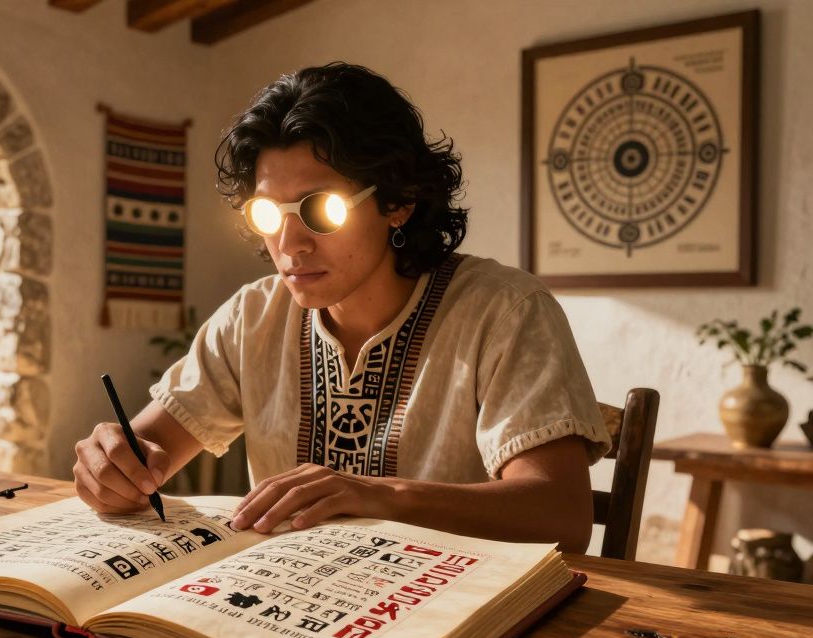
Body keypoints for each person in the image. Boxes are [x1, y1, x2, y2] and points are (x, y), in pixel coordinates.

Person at [73, 63, 610, 553]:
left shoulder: (504, 311)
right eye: (267, 212)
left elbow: (560, 515)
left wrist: (382, 497)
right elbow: (142, 449)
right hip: (285, 610)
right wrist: (111, 467)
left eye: (321, 209)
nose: (289, 243)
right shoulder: (252, 319)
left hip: (454, 620)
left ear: (399, 201)